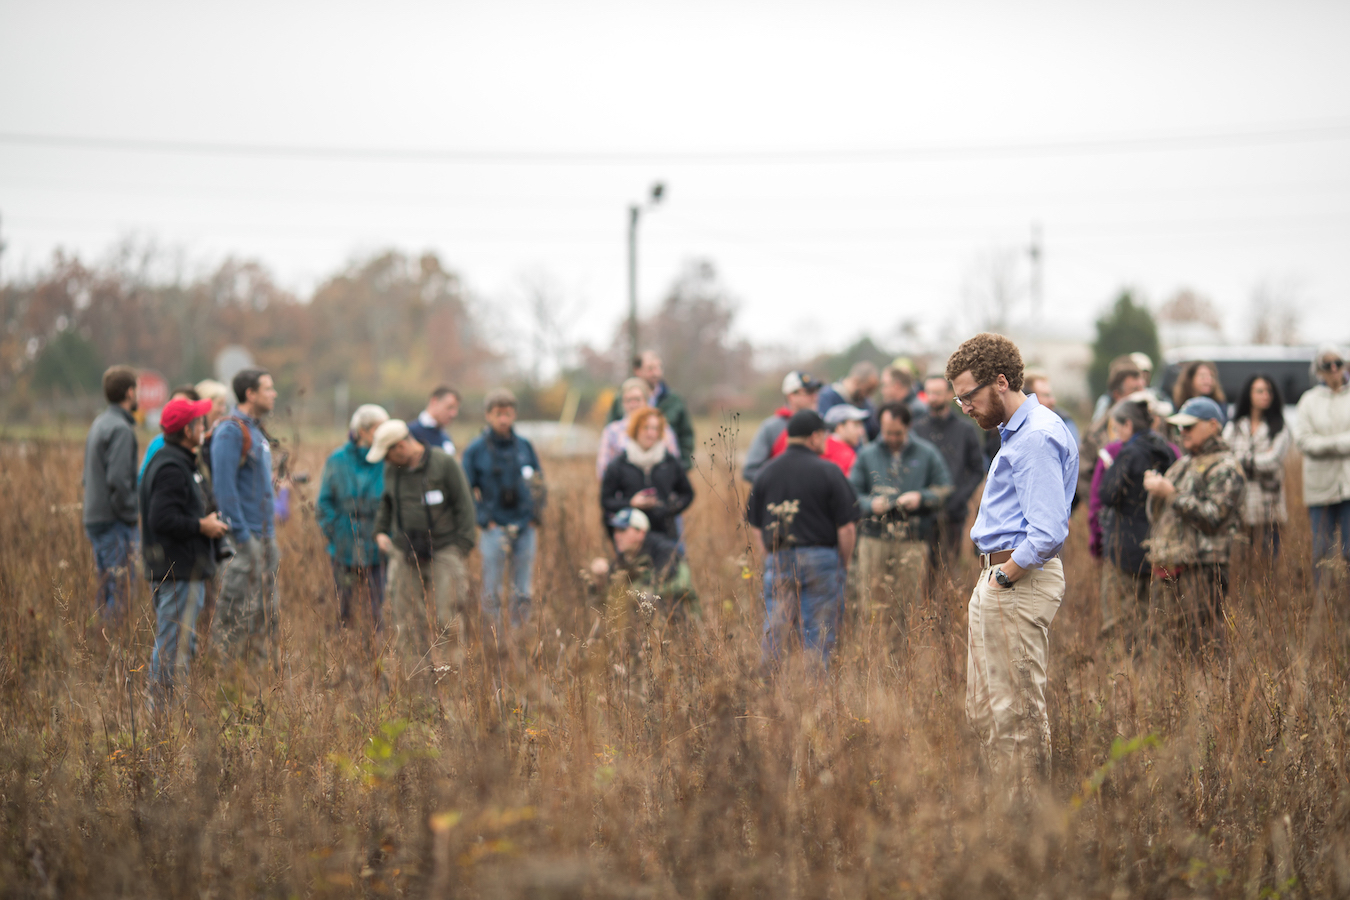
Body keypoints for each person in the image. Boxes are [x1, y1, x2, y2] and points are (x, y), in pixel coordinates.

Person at [946, 333, 1076, 795]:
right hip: (1000, 580)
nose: (965, 408)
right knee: (984, 708)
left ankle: (1026, 826)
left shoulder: (1036, 437)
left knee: (1015, 711)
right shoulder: (1017, 433)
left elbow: (1047, 531)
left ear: (1000, 382)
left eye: (970, 397)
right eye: (958, 400)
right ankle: (999, 814)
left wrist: (1004, 575)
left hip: (1016, 582)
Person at [746, 409, 862, 665]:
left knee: (775, 627)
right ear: (814, 437)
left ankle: (767, 689)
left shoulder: (766, 472)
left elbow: (755, 525)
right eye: (823, 436)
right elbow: (847, 528)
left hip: (779, 557)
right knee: (818, 632)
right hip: (821, 558)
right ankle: (814, 694)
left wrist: (771, 555)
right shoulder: (829, 472)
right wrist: (843, 562)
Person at [139, 397, 229, 702]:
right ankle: (162, 720)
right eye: (200, 422)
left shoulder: (176, 460)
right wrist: (201, 526)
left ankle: (169, 713)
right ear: (187, 430)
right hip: (178, 572)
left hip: (179, 570)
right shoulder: (171, 468)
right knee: (173, 645)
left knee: (179, 643)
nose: (204, 426)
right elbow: (161, 518)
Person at [1143, 397, 1244, 654]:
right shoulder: (1183, 463)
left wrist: (1171, 494)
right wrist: (1156, 492)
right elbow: (1159, 515)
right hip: (1171, 564)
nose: (1182, 433)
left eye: (1189, 426)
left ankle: (1211, 693)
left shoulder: (1225, 467)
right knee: (1167, 641)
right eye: (1180, 427)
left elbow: (1213, 517)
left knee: (1203, 642)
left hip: (1204, 567)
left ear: (1213, 425)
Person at [370, 419, 478, 658]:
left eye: (388, 454)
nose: (386, 461)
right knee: (404, 619)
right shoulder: (391, 470)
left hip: (444, 549)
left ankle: (452, 680)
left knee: (447, 618)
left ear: (400, 446)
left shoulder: (444, 463)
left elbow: (465, 505)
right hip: (404, 550)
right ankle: (413, 681)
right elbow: (386, 503)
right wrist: (380, 531)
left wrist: (461, 547)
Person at [848, 401, 951, 636]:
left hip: (912, 539)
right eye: (886, 432)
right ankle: (873, 656)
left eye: (897, 433)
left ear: (908, 427)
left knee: (905, 605)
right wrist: (870, 503)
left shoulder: (927, 453)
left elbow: (945, 488)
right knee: (871, 601)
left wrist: (921, 497)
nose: (891, 438)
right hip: (873, 538)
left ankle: (900, 659)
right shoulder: (867, 454)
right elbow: (851, 492)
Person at [210, 367, 280, 664]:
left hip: (266, 536)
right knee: (236, 608)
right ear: (250, 394)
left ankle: (256, 673)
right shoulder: (230, 431)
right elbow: (224, 488)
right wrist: (241, 536)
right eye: (267, 388)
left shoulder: (256, 430)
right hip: (245, 538)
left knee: (265, 607)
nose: (273, 394)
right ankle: (226, 673)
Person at [1096, 398, 1176, 646]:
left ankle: (1122, 671)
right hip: (1157, 543)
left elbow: (1107, 494)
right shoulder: (1165, 450)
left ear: (1128, 424)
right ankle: (1147, 675)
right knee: (1149, 618)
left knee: (1119, 619)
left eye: (1117, 428)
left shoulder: (1129, 453)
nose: (1117, 435)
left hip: (1125, 545)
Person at [462, 389, 544, 627]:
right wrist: (483, 519)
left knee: (523, 587)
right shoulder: (475, 449)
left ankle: (519, 635)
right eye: (498, 414)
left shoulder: (525, 447)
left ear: (514, 414)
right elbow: (465, 490)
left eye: (507, 414)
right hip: (493, 527)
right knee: (492, 587)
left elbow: (539, 483)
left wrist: (534, 516)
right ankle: (494, 641)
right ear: (488, 415)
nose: (503, 419)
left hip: (525, 525)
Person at [317, 404, 391, 631]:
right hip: (344, 543)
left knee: (377, 605)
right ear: (362, 431)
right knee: (344, 604)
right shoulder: (337, 460)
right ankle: (344, 646)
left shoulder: (387, 460)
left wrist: (387, 533)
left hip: (377, 544)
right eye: (379, 429)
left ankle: (376, 649)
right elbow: (324, 502)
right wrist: (336, 532)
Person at [83, 365, 141, 626]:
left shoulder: (100, 423)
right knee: (120, 589)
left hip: (95, 517)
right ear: (130, 392)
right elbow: (118, 479)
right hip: (114, 520)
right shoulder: (121, 429)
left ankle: (98, 645)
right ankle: (112, 648)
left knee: (106, 586)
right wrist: (131, 512)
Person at [912, 375, 985, 574]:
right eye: (929, 393)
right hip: (922, 512)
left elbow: (978, 468)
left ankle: (945, 604)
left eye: (937, 393)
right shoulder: (917, 429)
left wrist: (960, 498)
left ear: (948, 394)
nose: (933, 398)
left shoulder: (965, 429)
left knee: (948, 569)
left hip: (953, 512)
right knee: (920, 570)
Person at [1294, 344, 1350, 595]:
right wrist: (1342, 443)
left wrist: (1326, 444)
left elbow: (1317, 443)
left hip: (1349, 487)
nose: (1334, 368)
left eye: (1338, 362)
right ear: (1319, 370)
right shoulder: (1308, 401)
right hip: (1319, 490)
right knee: (1322, 553)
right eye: (1327, 364)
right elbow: (1304, 441)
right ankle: (1323, 605)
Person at [600, 407, 694, 542]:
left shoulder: (670, 462)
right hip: (631, 538)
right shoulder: (619, 464)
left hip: (665, 536)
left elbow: (687, 494)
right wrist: (631, 503)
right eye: (646, 428)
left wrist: (668, 509)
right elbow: (606, 501)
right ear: (635, 429)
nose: (651, 433)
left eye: (655, 429)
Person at [1224, 374, 1292, 559]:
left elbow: (1272, 461)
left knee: (1268, 563)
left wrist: (1242, 461)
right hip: (1240, 507)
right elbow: (1226, 458)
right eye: (1260, 391)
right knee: (1242, 563)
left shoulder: (1280, 428)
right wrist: (1255, 459)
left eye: (1269, 391)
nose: (1265, 395)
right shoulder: (1235, 426)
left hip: (1269, 507)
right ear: (1249, 394)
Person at [592, 507, 699, 625]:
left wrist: (633, 592)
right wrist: (600, 579)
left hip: (680, 621)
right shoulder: (624, 558)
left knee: (649, 600)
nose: (617, 536)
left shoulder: (664, 550)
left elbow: (669, 583)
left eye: (622, 530)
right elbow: (606, 598)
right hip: (643, 625)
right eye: (615, 531)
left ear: (640, 532)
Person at [608, 351, 695, 470]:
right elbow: (610, 435)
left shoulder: (674, 400)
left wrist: (682, 467)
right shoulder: (621, 399)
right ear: (637, 370)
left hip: (665, 470)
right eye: (650, 369)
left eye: (659, 368)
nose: (656, 373)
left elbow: (686, 436)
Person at [1080, 356, 1146, 509]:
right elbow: (1084, 476)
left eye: (1142, 389)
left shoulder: (1157, 425)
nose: (1140, 397)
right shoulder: (1096, 433)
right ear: (1117, 395)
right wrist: (1101, 511)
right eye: (1134, 391)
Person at [742, 371, 822, 483]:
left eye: (816, 391)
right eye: (809, 392)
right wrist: (782, 485)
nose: (815, 397)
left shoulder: (823, 425)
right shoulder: (771, 427)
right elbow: (751, 470)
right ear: (791, 396)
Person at [597, 377, 678, 480]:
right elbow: (603, 470)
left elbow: (675, 466)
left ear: (646, 400)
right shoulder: (612, 431)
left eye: (637, 399)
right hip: (623, 492)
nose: (633, 404)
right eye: (628, 400)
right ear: (622, 403)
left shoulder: (663, 428)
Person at [138, 385, 201, 482]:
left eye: (184, 405)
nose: (178, 410)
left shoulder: (202, 445)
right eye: (175, 405)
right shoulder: (159, 445)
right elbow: (142, 480)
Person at [817, 361, 880, 440]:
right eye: (867, 390)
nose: (868, 395)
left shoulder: (866, 404)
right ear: (856, 381)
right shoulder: (829, 396)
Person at [1023, 370, 1079, 448]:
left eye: (1051, 395)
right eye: (1046, 395)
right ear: (1029, 396)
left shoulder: (1064, 421)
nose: (1052, 401)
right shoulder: (1015, 425)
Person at [407, 385, 460, 456]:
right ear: (434, 401)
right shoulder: (410, 432)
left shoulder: (445, 437)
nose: (453, 414)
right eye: (449, 407)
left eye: (455, 409)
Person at [822, 404, 869, 476]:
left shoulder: (820, 448)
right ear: (840, 427)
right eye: (856, 425)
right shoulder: (847, 455)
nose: (861, 432)